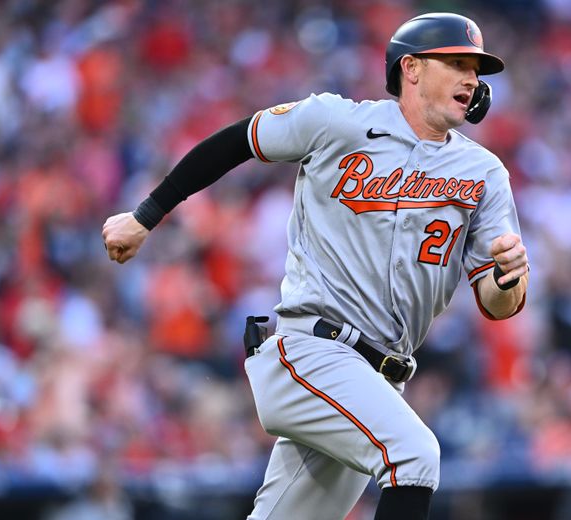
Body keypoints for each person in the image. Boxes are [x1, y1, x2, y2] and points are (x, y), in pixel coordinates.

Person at [102, 12, 529, 520]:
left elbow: (498, 306)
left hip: (379, 381)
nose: (471, 79)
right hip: (313, 350)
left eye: (476, 71)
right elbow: (237, 141)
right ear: (410, 69)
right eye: (457, 63)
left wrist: (508, 277)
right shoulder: (338, 121)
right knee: (414, 456)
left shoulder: (483, 172)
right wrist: (145, 216)